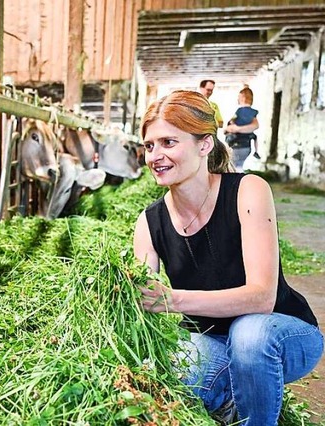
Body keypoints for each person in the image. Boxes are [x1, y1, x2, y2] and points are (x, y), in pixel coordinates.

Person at [133, 90, 323, 426]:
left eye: (168, 142)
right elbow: (141, 304)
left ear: (204, 145)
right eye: (150, 145)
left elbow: (262, 297)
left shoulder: (248, 190)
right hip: (208, 342)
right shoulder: (149, 222)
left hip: (279, 333)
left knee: (250, 334)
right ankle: (236, 400)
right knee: (165, 366)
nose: (155, 155)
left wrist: (171, 300)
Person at [224, 87, 260, 169]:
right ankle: (256, 152)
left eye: (239, 97)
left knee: (234, 166)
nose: (237, 99)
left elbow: (232, 122)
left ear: (243, 98)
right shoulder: (252, 113)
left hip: (237, 144)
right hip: (246, 144)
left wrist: (234, 127)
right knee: (239, 166)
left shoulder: (240, 111)